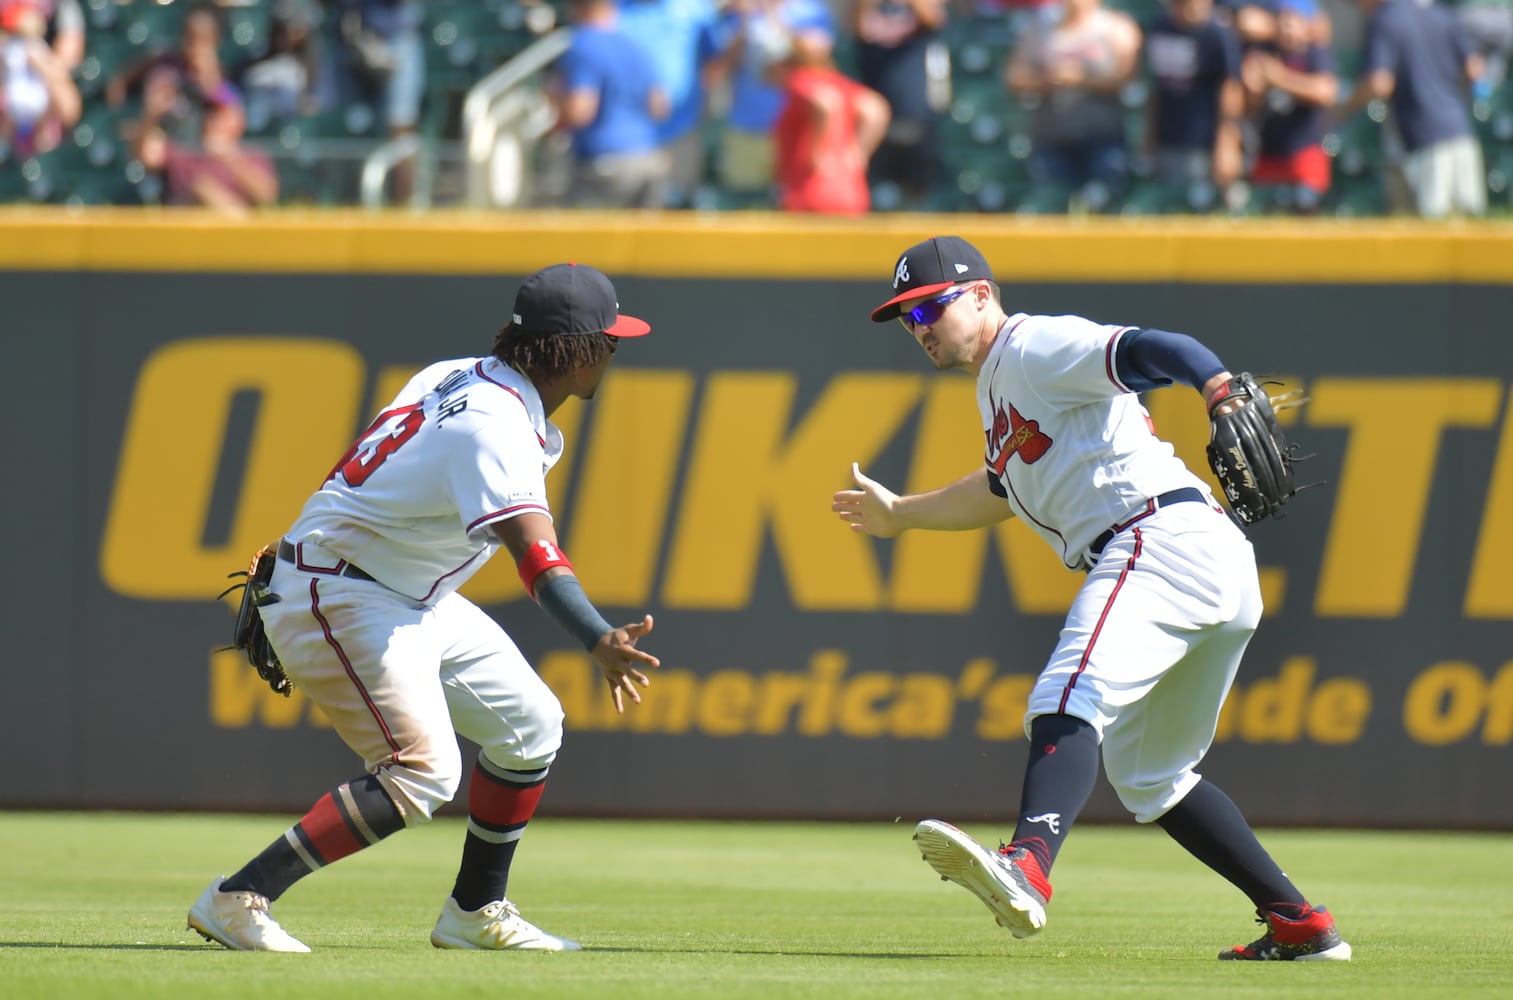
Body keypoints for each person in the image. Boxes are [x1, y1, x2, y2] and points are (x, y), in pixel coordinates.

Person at [832, 235, 1351, 962]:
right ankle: (1298, 923)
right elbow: (998, 487)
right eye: (906, 317)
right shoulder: (1000, 384)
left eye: (928, 306)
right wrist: (903, 514)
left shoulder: (1034, 345)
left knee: (1067, 692)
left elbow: (1151, 347)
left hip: (1155, 537)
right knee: (1151, 776)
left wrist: (1217, 389)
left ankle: (1028, 866)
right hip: (1203, 558)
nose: (918, 327)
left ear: (979, 294)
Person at [186, 262, 660, 953]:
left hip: (396, 586)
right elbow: (535, 556)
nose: (616, 353)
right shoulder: (494, 425)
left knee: (530, 726)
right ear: (578, 352)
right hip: (343, 588)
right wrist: (596, 638)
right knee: (422, 771)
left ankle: (472, 913)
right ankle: (237, 897)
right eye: (610, 341)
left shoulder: (464, 372)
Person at [1337, 0, 1486, 219]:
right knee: (1470, 233)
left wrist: (1344, 106)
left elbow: (1380, 82)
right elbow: (1474, 69)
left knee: (1430, 235)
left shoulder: (1386, 19)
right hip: (1461, 133)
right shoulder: (1443, 15)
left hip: (1424, 139)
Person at [1006, 0, 1142, 205]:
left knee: (1103, 207)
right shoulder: (1041, 28)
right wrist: (1047, 80)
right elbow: (1013, 77)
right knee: (1051, 207)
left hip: (1103, 139)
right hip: (1052, 140)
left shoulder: (1114, 26)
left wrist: (1081, 78)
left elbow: (1127, 77)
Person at [550, 0, 671, 209]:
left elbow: (581, 111)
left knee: (583, 237)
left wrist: (555, 96)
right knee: (643, 240)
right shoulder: (636, 46)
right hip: (647, 159)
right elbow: (660, 107)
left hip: (603, 164)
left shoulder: (583, 45)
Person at [769, 25, 891, 215]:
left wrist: (818, 151)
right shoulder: (839, 83)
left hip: (810, 192)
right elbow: (875, 109)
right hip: (850, 193)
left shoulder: (800, 79)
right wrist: (858, 152)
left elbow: (824, 103)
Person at [1240, 0, 1337, 209]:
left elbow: (1325, 91)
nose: (1286, 28)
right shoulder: (1264, 52)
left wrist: (1280, 78)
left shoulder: (1314, 54)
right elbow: (1249, 104)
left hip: (1304, 154)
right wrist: (1253, 88)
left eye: (1292, 21)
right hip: (1269, 154)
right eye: (1282, 21)